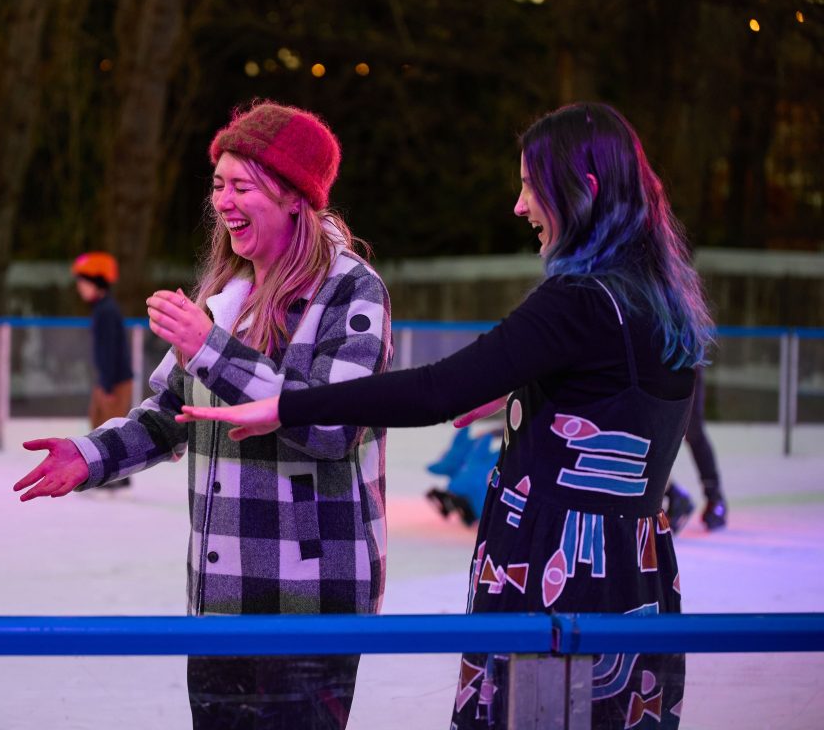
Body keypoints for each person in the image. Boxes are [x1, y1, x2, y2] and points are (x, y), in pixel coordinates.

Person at [180, 103, 713, 729]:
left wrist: (289, 404)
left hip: (555, 571)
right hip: (632, 565)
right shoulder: (656, 294)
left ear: (585, 191)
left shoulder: (579, 300)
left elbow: (436, 391)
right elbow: (620, 396)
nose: (520, 206)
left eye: (530, 186)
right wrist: (529, 389)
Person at [13, 101, 393, 729]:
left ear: (296, 197)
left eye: (242, 185)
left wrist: (210, 348)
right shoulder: (226, 296)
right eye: (219, 184)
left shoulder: (352, 291)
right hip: (220, 599)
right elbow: (167, 413)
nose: (224, 201)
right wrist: (89, 456)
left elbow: (334, 425)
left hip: (310, 604)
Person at [71, 251, 135, 490]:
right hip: (109, 379)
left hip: (114, 381)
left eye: (82, 283)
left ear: (96, 282)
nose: (80, 288)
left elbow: (109, 350)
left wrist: (107, 385)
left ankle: (117, 474)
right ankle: (110, 472)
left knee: (110, 427)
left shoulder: (106, 311)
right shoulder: (102, 309)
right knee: (99, 422)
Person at [664, 368, 727, 532]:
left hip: (682, 354)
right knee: (650, 430)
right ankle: (673, 493)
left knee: (692, 429)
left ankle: (714, 496)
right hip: (651, 355)